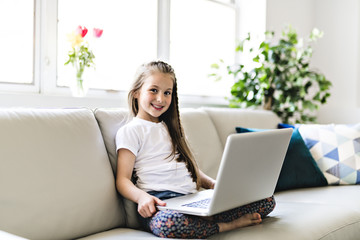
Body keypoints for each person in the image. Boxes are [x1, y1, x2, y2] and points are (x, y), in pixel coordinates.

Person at [115, 60, 275, 239]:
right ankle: (226, 226)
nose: (161, 98)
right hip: (160, 204)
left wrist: (215, 185)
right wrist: (142, 198)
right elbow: (122, 180)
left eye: (167, 92)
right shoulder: (130, 130)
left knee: (266, 200)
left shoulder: (171, 129)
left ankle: (205, 221)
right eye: (153, 90)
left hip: (191, 199)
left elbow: (190, 170)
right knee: (170, 225)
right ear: (136, 92)